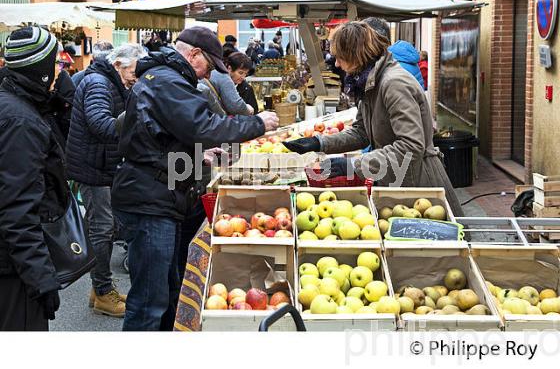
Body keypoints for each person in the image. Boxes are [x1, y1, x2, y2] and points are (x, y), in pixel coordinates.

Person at [111, 26, 279, 331]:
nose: (206, 75)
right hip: (150, 199)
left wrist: (191, 155)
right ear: (194, 55)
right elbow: (205, 126)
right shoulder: (168, 81)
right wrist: (256, 123)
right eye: (208, 67)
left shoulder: (162, 78)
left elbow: (158, 136)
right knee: (149, 300)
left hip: (157, 193)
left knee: (164, 291)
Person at [282, 21, 463, 216]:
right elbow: (362, 132)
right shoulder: (370, 82)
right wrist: (318, 143)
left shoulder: (394, 84)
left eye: (339, 57)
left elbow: (411, 146)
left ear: (355, 55)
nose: (336, 64)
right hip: (396, 180)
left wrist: (354, 165)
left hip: (418, 184)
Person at [66, 43, 147, 318]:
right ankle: (102, 292)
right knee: (101, 228)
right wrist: (136, 109)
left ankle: (100, 289)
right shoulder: (99, 83)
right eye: (133, 72)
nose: (136, 77)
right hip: (94, 168)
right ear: (117, 65)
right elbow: (101, 124)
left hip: (102, 165)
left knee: (106, 226)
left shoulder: (111, 81)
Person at [0, 26, 68, 330]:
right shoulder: (21, 123)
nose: (61, 69)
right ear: (39, 69)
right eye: (55, 63)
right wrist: (41, 279)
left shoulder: (13, 106)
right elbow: (17, 209)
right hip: (12, 271)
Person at [198, 50, 254, 116]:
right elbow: (235, 106)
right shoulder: (224, 76)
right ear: (229, 68)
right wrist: (248, 109)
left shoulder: (216, 72)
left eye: (245, 74)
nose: (243, 77)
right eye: (240, 73)